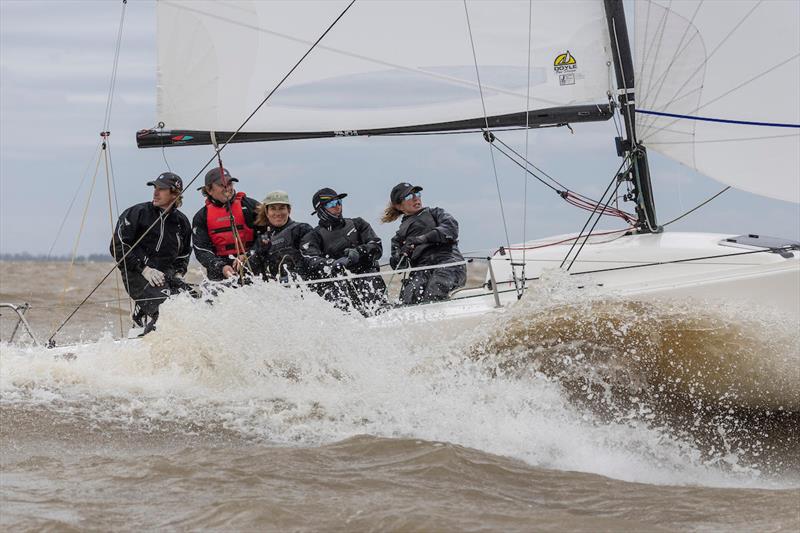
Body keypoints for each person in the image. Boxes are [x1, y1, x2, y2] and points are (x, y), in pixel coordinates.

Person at [110, 172, 193, 334]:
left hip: (164, 275)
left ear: (175, 194)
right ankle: (149, 342)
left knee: (193, 303)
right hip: (136, 272)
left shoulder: (182, 222)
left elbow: (183, 255)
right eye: (155, 188)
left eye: (161, 189)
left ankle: (142, 315)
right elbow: (117, 246)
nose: (155, 192)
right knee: (166, 311)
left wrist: (178, 275)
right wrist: (144, 270)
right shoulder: (137, 212)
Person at [301, 187, 386, 314]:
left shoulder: (358, 224)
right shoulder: (312, 236)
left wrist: (359, 251)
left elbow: (376, 246)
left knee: (370, 280)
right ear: (321, 209)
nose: (337, 206)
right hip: (337, 285)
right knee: (333, 292)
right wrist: (333, 264)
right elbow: (310, 260)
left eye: (339, 202)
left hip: (365, 278)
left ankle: (381, 312)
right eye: (331, 204)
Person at [382, 182, 466, 305]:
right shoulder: (398, 237)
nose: (416, 198)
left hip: (448, 262)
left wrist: (422, 239)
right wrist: (403, 254)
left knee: (434, 293)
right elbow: (398, 267)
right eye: (409, 197)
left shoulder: (436, 213)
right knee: (408, 300)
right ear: (399, 206)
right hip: (421, 269)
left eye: (417, 194)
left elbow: (451, 229)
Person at [192, 166, 263, 281]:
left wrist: (248, 255)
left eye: (230, 184)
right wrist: (221, 267)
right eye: (222, 185)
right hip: (220, 273)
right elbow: (201, 250)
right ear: (209, 190)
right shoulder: (201, 217)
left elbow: (266, 237)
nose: (227, 188)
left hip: (252, 268)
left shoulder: (251, 206)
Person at [248, 190, 313, 281]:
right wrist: (260, 252)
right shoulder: (262, 238)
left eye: (282, 208)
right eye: (273, 208)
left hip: (298, 286)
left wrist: (295, 277)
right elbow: (251, 268)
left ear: (289, 210)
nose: (278, 213)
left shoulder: (301, 229)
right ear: (267, 212)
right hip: (272, 289)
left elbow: (310, 258)